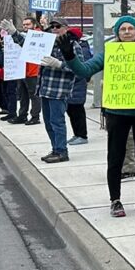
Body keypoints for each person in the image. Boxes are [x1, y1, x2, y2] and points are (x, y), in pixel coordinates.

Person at [59, 15, 135, 217]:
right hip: (117, 112)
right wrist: (69, 55)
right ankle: (115, 200)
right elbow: (84, 69)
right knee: (115, 157)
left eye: (131, 28)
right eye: (123, 29)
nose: (127, 32)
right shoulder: (109, 53)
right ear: (117, 33)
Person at [36, 17, 84, 163]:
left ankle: (62, 151)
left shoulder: (73, 45)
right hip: (45, 88)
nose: (55, 29)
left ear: (66, 28)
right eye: (53, 27)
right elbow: (29, 46)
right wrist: (13, 33)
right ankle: (55, 149)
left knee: (57, 122)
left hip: (59, 90)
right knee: (49, 122)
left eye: (58, 26)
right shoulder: (48, 43)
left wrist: (59, 64)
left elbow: (80, 68)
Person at [12, 17, 42, 125]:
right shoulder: (25, 35)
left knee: (34, 95)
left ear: (34, 25)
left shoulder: (38, 35)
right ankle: (22, 115)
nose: (25, 27)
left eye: (28, 24)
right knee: (23, 95)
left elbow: (26, 44)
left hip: (33, 70)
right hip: (22, 70)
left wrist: (14, 33)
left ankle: (35, 117)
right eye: (24, 25)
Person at [65, 24, 92, 143]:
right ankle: (77, 134)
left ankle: (82, 135)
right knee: (71, 111)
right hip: (72, 86)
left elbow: (84, 68)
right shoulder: (69, 47)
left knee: (77, 111)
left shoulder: (81, 49)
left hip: (78, 85)